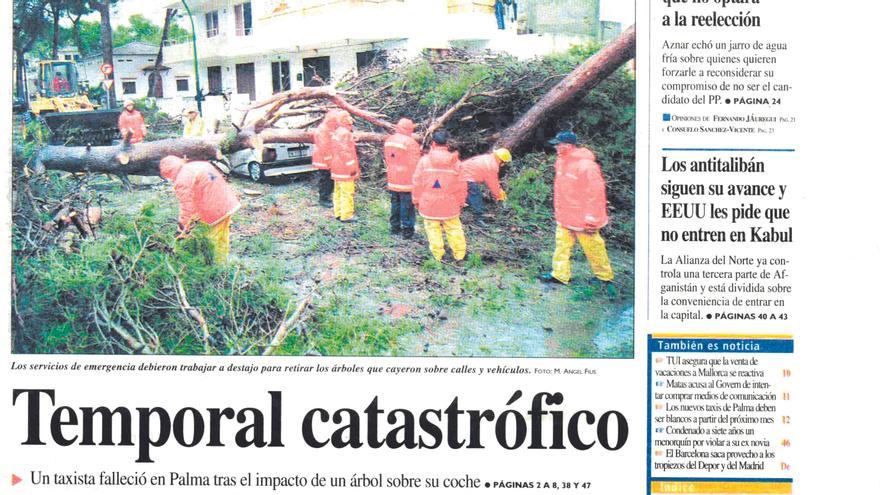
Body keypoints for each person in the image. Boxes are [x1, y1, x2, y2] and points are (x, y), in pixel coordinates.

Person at [540, 131, 616, 294]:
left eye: (558, 144)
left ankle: (604, 277)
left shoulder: (587, 166)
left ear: (568, 146)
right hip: (565, 215)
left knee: (594, 247)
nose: (556, 147)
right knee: (561, 246)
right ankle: (560, 275)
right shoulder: (561, 162)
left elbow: (596, 193)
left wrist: (592, 219)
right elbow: (562, 190)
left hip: (583, 219)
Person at [159, 156, 241, 264]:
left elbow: (187, 208)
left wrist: (182, 229)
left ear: (168, 173)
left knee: (211, 240)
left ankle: (213, 267)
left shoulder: (182, 180)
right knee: (222, 237)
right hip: (228, 203)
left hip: (214, 211)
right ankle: (222, 263)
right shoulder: (198, 164)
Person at [411, 130, 468, 262]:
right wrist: (461, 202)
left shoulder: (424, 161)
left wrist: (416, 200)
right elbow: (462, 185)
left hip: (428, 204)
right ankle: (459, 255)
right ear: (447, 144)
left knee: (432, 229)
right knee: (454, 228)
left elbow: (417, 182)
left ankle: (438, 255)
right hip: (450, 204)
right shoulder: (456, 163)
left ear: (433, 144)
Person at [383, 118, 421, 238]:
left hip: (393, 177)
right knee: (407, 206)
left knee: (395, 203)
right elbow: (415, 164)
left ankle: (394, 227)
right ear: (410, 129)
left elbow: (388, 159)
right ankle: (408, 230)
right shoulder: (410, 143)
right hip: (406, 180)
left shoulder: (389, 140)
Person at [460, 148, 511, 225]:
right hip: (466, 177)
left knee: (468, 193)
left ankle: (463, 206)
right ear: (501, 160)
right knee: (476, 196)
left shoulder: (487, 157)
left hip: (459, 173)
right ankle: (479, 218)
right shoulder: (492, 166)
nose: (503, 164)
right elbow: (493, 184)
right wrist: (499, 195)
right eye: (504, 162)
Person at [328, 111, 359, 222]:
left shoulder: (337, 132)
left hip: (336, 166)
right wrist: (352, 168)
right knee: (347, 191)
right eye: (349, 119)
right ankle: (347, 215)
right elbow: (345, 152)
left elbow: (339, 148)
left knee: (338, 191)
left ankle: (338, 212)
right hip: (344, 168)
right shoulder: (345, 133)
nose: (351, 121)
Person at [312, 110, 347, 208]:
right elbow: (324, 146)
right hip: (323, 159)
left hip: (328, 158)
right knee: (325, 179)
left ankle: (327, 197)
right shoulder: (323, 129)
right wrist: (329, 160)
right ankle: (323, 199)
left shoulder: (329, 128)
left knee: (328, 179)